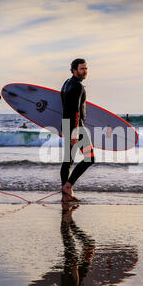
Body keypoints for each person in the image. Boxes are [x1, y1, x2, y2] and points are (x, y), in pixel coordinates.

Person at [60, 58, 95, 202]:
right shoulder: (78, 87)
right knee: (90, 158)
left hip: (67, 125)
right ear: (74, 70)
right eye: (82, 69)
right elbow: (75, 110)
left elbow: (65, 107)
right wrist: (75, 132)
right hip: (77, 127)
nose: (85, 71)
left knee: (68, 161)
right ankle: (68, 186)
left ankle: (65, 196)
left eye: (86, 68)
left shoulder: (66, 84)